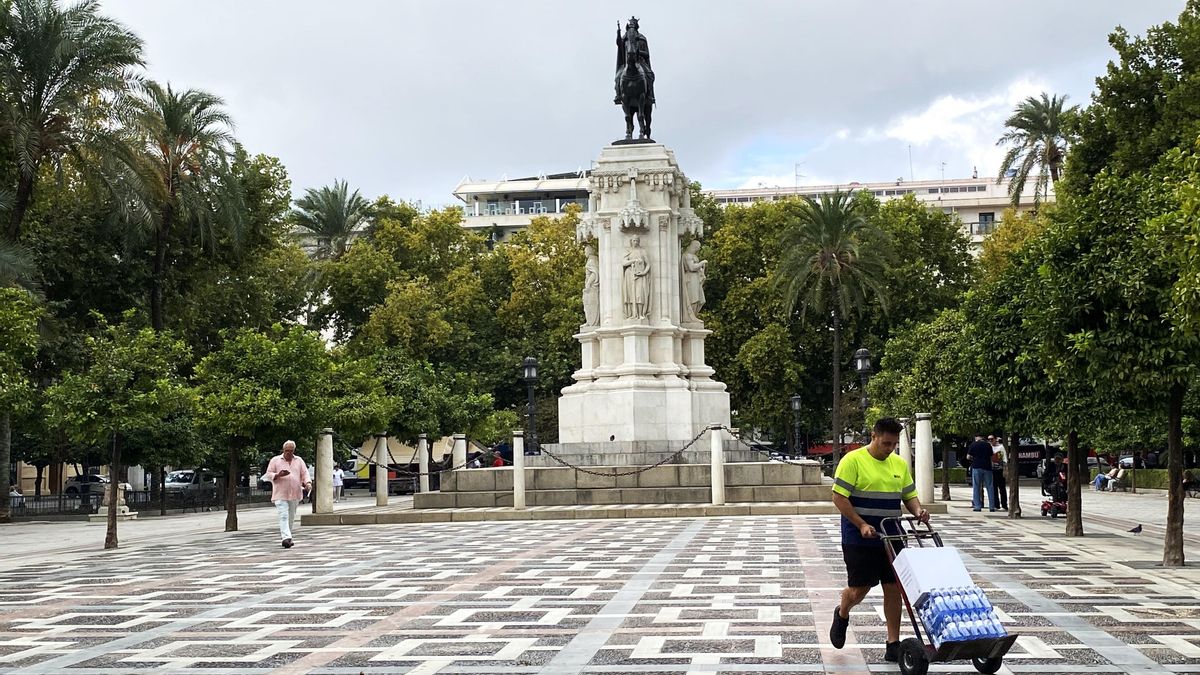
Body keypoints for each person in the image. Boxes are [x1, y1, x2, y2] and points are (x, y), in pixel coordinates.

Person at [830, 417, 929, 663]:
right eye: (886, 443)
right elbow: (839, 497)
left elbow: (909, 495)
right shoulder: (852, 461)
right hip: (859, 536)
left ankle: (892, 643)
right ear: (873, 436)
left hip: (892, 534)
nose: (890, 449)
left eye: (894, 444)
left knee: (894, 588)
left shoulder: (898, 464)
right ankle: (843, 611)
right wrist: (861, 523)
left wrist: (918, 511)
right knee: (859, 589)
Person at [263, 440, 311, 549]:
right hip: (280, 493)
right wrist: (278, 475)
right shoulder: (275, 460)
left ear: (294, 450)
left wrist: (308, 483)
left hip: (295, 493)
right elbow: (268, 474)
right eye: (286, 451)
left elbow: (305, 473)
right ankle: (285, 538)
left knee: (291, 516)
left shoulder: (299, 460)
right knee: (283, 515)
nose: (288, 453)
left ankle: (288, 537)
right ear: (283, 450)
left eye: (291, 451)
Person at [968, 434, 996, 512]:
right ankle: (991, 506)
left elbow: (968, 456)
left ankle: (977, 506)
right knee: (990, 486)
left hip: (976, 467)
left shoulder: (973, 445)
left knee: (976, 487)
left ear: (976, 438)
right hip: (987, 467)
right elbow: (991, 456)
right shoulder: (988, 445)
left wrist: (973, 458)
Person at [989, 436, 1008, 511]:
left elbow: (1004, 459)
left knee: (1002, 488)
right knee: (994, 488)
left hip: (999, 469)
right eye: (989, 439)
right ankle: (996, 505)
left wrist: (1005, 469)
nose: (990, 441)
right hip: (991, 470)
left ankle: (1004, 505)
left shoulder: (1001, 447)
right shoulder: (989, 448)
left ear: (995, 440)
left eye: (992, 439)